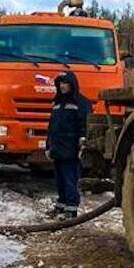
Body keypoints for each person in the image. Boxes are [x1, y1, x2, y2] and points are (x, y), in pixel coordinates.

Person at [46, 71, 91, 218]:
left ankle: (71, 209)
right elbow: (51, 126)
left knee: (70, 178)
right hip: (57, 148)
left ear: (72, 84)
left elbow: (84, 124)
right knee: (59, 179)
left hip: (71, 148)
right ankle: (61, 205)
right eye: (60, 83)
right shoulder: (57, 103)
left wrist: (83, 142)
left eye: (65, 83)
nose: (62, 86)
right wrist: (48, 146)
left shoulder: (80, 103)